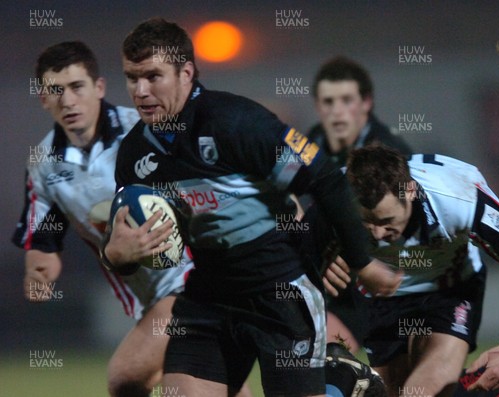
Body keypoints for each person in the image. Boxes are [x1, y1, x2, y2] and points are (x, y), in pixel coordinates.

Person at [101, 18, 401, 397]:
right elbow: (122, 241)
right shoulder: (135, 153)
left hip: (280, 294)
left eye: (152, 76)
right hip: (207, 297)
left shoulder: (238, 123)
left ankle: (349, 387)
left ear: (186, 73)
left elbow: (325, 180)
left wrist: (362, 261)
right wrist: (116, 255)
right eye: (131, 78)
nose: (140, 91)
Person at [11, 41, 199, 397]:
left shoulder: (144, 128)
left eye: (76, 87)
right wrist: (39, 274)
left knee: (125, 377)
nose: (67, 101)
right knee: (202, 388)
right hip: (148, 297)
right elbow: (43, 243)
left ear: (98, 88)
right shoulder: (43, 167)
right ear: (43, 99)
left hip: (194, 278)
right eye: (55, 91)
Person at [337, 145, 499, 397]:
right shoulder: (335, 196)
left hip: (449, 289)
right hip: (382, 296)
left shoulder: (459, 201)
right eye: (367, 223)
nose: (379, 234)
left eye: (386, 221)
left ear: (410, 192)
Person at [306, 56, 413, 353]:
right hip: (336, 280)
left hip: (387, 275)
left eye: (346, 100)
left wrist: (347, 251)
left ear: (366, 103)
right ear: (318, 106)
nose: (337, 113)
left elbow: (398, 224)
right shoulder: (309, 144)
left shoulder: (390, 152)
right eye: (328, 102)